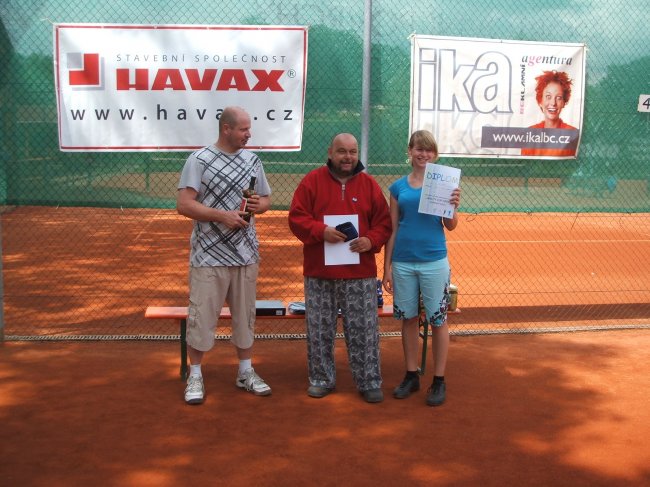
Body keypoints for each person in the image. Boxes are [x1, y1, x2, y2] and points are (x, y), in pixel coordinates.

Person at [176, 106, 272, 405]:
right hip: (208, 256)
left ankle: (245, 371)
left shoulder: (253, 160)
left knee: (245, 317)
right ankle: (195, 375)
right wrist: (222, 216)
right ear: (226, 129)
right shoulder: (199, 160)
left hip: (246, 255)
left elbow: (266, 200)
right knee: (201, 317)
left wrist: (258, 206)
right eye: (243, 129)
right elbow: (184, 204)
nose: (248, 134)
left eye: (249, 128)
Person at [288, 133, 392, 403]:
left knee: (364, 330)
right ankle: (321, 379)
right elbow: (297, 218)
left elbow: (384, 223)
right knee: (319, 329)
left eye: (352, 152)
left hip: (360, 274)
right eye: (342, 151)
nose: (348, 157)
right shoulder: (312, 181)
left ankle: (369, 381)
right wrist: (320, 231)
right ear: (330, 153)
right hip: (320, 273)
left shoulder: (369, 185)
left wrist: (371, 240)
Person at [382, 130, 461, 407]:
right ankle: (411, 375)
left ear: (435, 155)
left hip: (434, 261)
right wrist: (387, 268)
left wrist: (453, 206)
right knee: (408, 319)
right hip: (403, 262)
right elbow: (392, 229)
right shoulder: (397, 188)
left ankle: (438, 380)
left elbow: (450, 226)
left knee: (438, 319)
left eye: (428, 150)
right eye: (419, 149)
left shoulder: (443, 185)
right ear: (410, 151)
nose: (423, 154)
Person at [521, 70, 577, 157]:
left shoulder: (571, 133)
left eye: (558, 98)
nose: (553, 103)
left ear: (564, 102)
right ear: (540, 101)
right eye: (548, 96)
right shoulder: (530, 133)